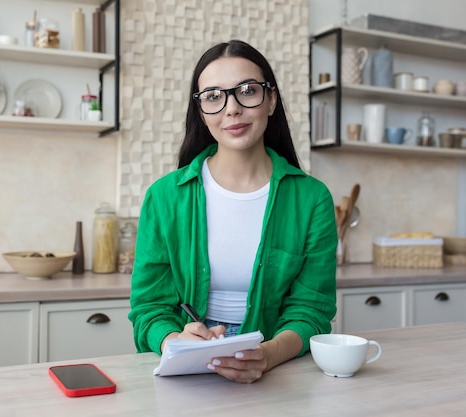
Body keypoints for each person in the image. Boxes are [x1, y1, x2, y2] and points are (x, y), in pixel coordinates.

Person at [128, 40, 337, 383]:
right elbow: (149, 308)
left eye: (247, 91)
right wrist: (174, 340)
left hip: (276, 363)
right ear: (200, 111)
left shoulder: (312, 199)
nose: (232, 109)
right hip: (185, 367)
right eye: (213, 96)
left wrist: (266, 355)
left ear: (271, 100)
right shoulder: (164, 197)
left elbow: (312, 310)